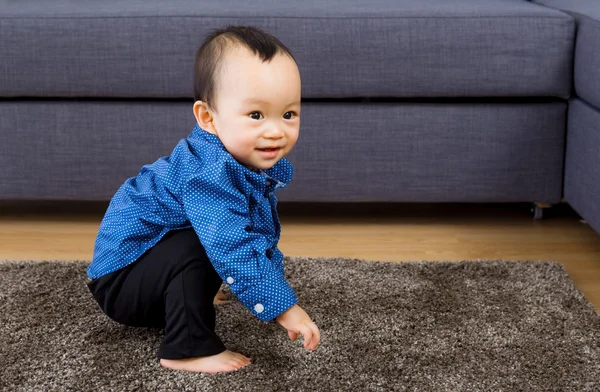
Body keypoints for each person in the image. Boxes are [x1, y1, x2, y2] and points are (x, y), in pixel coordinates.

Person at [86, 25, 320, 374]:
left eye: (288, 114)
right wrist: (285, 308)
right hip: (121, 285)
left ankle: (180, 295)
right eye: (256, 115)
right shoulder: (207, 173)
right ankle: (186, 347)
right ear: (208, 118)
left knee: (212, 238)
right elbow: (233, 243)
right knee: (206, 243)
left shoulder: (238, 163)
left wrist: (273, 290)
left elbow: (258, 234)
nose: (275, 130)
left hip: (147, 271)